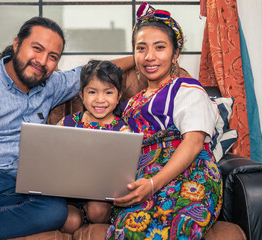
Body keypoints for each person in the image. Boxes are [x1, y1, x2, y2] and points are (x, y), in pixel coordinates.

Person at [0, 17, 134, 240]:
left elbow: (91, 72)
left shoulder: (50, 85)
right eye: (37, 48)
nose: (42, 61)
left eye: (53, 57)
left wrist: (142, 57)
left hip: (16, 183)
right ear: (17, 44)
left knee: (55, 211)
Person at [105, 3, 222, 240]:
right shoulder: (130, 104)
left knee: (178, 229)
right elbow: (100, 71)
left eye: (160, 47)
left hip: (189, 175)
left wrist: (153, 184)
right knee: (128, 231)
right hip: (141, 181)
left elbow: (194, 143)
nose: (149, 57)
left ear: (175, 53)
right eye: (141, 48)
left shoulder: (187, 90)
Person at [57, 60, 131, 234]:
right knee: (70, 222)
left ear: (119, 96)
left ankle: (90, 214)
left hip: (101, 194)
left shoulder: (122, 130)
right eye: (92, 92)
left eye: (108, 92)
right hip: (69, 193)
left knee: (98, 212)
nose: (100, 100)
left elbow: (123, 171)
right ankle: (81, 216)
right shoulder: (66, 123)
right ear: (81, 95)